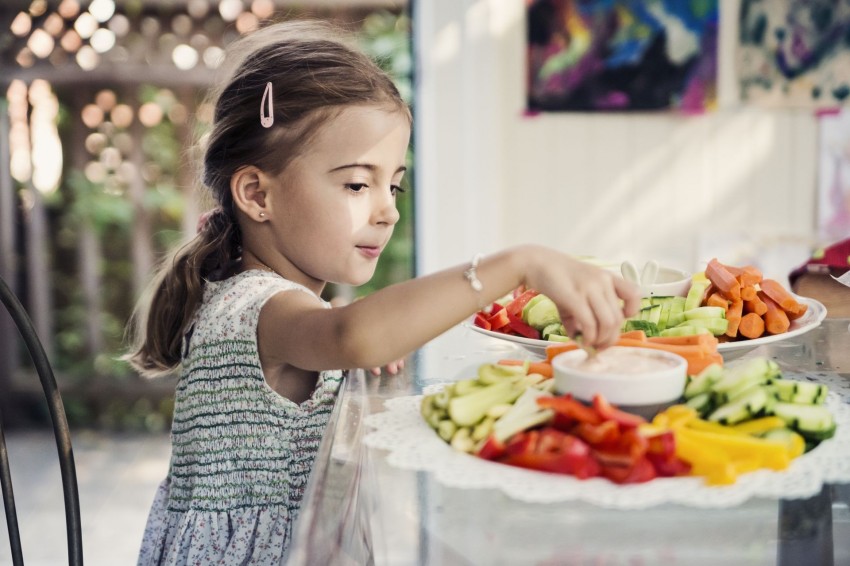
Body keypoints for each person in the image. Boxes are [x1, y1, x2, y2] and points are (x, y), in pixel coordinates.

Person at [126, 20, 640, 565]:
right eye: (356, 184)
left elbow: (341, 331)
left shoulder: (267, 301)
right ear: (257, 194)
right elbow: (352, 338)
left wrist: (352, 327)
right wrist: (519, 263)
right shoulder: (255, 308)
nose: (388, 209)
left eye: (392, 184)